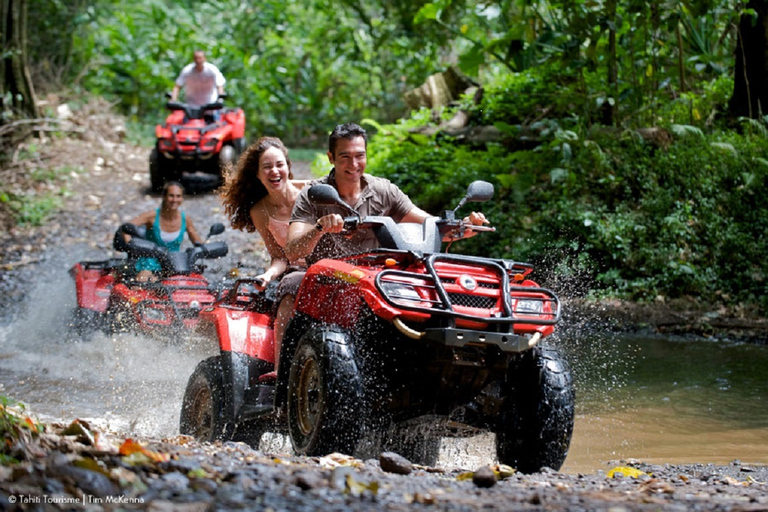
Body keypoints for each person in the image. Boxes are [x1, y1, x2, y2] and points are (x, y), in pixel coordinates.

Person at [272, 122, 488, 370]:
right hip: (327, 279)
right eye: (345, 157)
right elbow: (293, 250)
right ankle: (282, 371)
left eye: (359, 156)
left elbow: (429, 225)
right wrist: (320, 228)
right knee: (291, 283)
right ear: (331, 157)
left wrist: (463, 226)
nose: (353, 165)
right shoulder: (313, 193)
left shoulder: (384, 190)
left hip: (377, 277)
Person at [219, 136, 308, 290]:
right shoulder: (259, 212)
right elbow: (279, 257)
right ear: (258, 174)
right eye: (267, 166)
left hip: (326, 267)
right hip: (293, 274)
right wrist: (268, 275)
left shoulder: (311, 191)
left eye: (279, 164)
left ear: (288, 167)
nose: (274, 171)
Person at [125, 181, 203, 283]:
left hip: (175, 264)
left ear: (182, 198)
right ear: (164, 197)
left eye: (178, 196)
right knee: (144, 281)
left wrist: (208, 248)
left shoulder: (185, 219)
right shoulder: (151, 216)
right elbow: (126, 228)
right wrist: (131, 246)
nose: (175, 200)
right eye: (171, 196)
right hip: (149, 263)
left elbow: (198, 242)